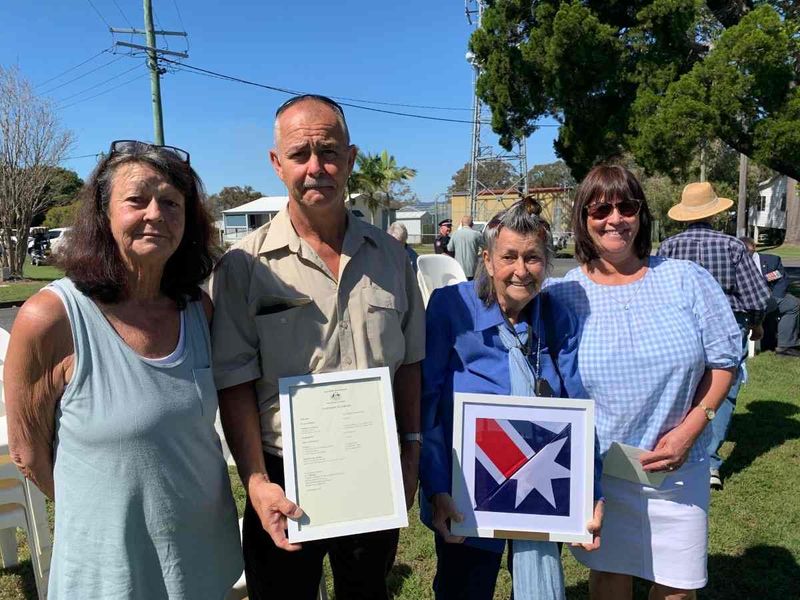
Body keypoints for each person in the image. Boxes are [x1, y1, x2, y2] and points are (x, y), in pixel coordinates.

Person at [5, 140, 243, 599]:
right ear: (103, 214)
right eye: (137, 199)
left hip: (202, 559)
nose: (156, 213)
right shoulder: (51, 318)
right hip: (109, 571)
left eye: (172, 203)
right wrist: (102, 512)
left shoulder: (199, 311)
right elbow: (28, 454)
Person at [210, 94, 425, 600]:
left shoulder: (394, 258)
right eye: (300, 155)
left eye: (328, 152)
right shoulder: (243, 268)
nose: (315, 168)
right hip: (282, 473)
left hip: (373, 466)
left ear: (350, 158)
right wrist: (257, 481)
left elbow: (410, 364)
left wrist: (411, 450)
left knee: (367, 591)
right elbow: (235, 381)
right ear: (276, 163)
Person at [546, 165, 741, 600]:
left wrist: (692, 430)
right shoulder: (563, 295)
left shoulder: (686, 279)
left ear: (641, 214)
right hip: (603, 472)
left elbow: (724, 363)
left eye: (626, 206)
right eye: (600, 209)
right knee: (610, 578)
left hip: (677, 469)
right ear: (583, 218)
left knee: (677, 589)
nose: (614, 218)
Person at [420, 197, 603, 600]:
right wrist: (435, 488)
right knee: (463, 589)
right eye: (509, 257)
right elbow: (428, 401)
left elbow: (578, 404)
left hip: (541, 486)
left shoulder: (556, 317)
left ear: (548, 263)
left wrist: (592, 491)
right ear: (487, 260)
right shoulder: (451, 307)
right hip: (467, 489)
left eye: (533, 258)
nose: (521, 270)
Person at [657, 182, 769, 489]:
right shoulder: (733, 246)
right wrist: (756, 324)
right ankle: (710, 461)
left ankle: (674, 446)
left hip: (680, 323)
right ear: (715, 213)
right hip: (729, 324)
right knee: (724, 391)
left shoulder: (669, 247)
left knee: (684, 387)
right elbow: (757, 297)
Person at [740, 236, 800, 356]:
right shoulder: (735, 261)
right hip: (743, 301)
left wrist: (776, 298)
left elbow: (781, 280)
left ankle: (785, 346)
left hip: (769, 297)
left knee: (792, 304)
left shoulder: (772, 261)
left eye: (749, 250)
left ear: (754, 247)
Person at [448, 215, 485, 279]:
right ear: (472, 224)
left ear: (461, 223)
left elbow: (450, 248)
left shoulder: (455, 234)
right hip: (472, 269)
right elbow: (485, 246)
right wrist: (479, 254)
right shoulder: (477, 234)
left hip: (459, 269)